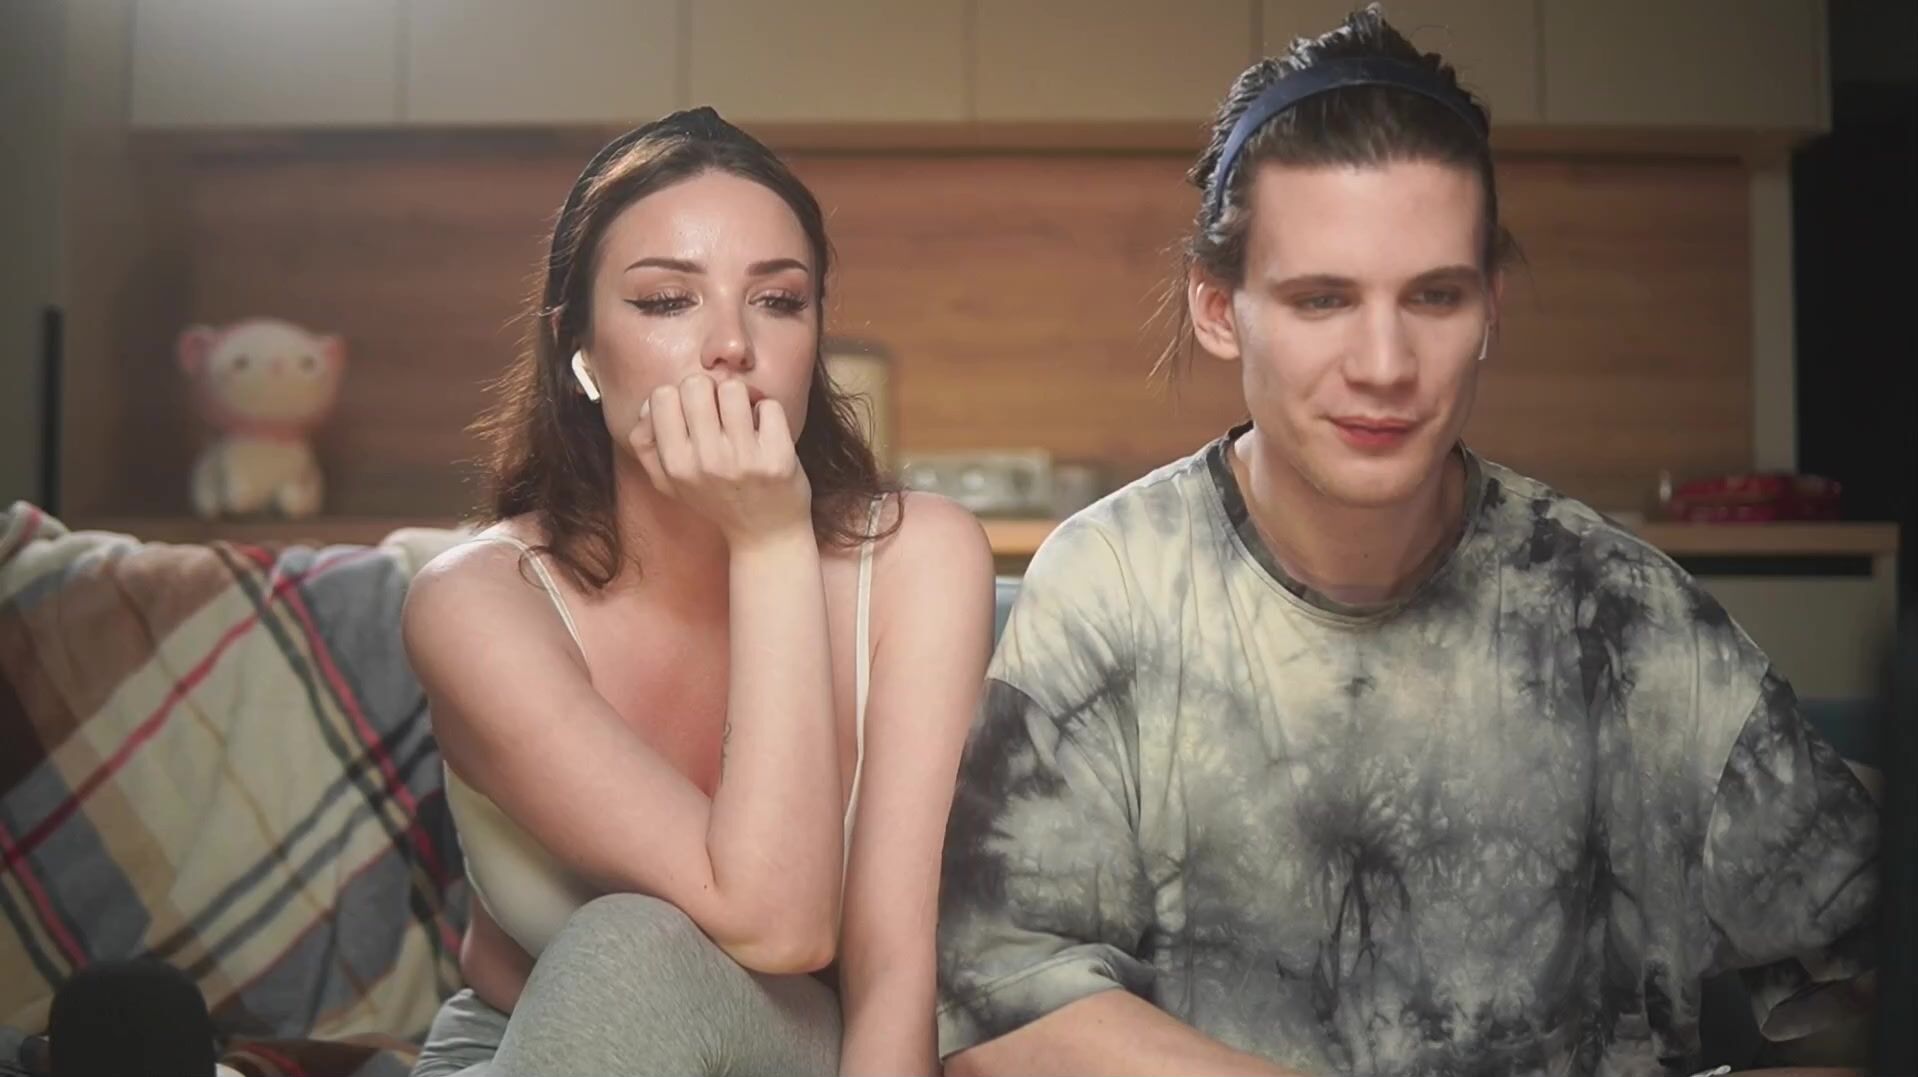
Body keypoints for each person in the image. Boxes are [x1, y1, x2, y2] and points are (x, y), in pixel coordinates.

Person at [932, 8, 1880, 1076]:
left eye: (1434, 296)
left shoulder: (1621, 614)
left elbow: (1859, 961)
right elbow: (1004, 1006)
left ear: (1489, 308)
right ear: (1218, 307)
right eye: (1322, 299)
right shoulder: (1112, 588)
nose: (1384, 364)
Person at [405, 106, 994, 1076]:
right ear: (578, 350)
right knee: (629, 948)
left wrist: (767, 540)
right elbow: (747, 916)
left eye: (779, 300)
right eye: (667, 300)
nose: (730, 345)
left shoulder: (918, 558)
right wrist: (767, 536)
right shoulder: (479, 601)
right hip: (527, 1053)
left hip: (799, 1049)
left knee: (634, 942)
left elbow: (865, 961)